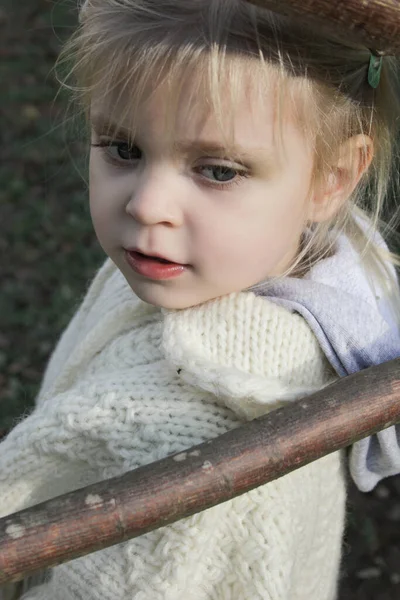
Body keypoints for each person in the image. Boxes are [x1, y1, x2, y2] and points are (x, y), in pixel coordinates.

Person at [1, 0, 400, 598]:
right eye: (123, 149)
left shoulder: (187, 434)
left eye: (217, 171)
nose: (146, 205)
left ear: (332, 179)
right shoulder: (279, 259)